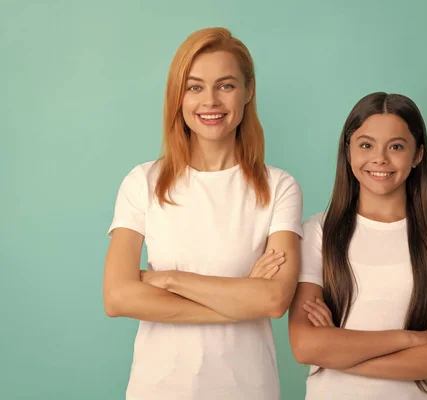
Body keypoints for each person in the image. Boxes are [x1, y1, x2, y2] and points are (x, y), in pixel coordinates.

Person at [103, 27, 302, 400]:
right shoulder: (144, 181)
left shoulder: (279, 187)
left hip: (248, 388)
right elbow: (117, 298)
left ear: (249, 90)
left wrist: (169, 279)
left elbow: (274, 300)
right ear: (178, 95)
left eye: (225, 85)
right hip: (158, 388)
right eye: (194, 87)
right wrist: (240, 299)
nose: (210, 101)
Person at [288, 92, 427, 399]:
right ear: (348, 151)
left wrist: (337, 350)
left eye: (396, 146)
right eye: (366, 145)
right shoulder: (318, 233)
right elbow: (305, 346)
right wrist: (411, 340)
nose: (380, 158)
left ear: (418, 154)